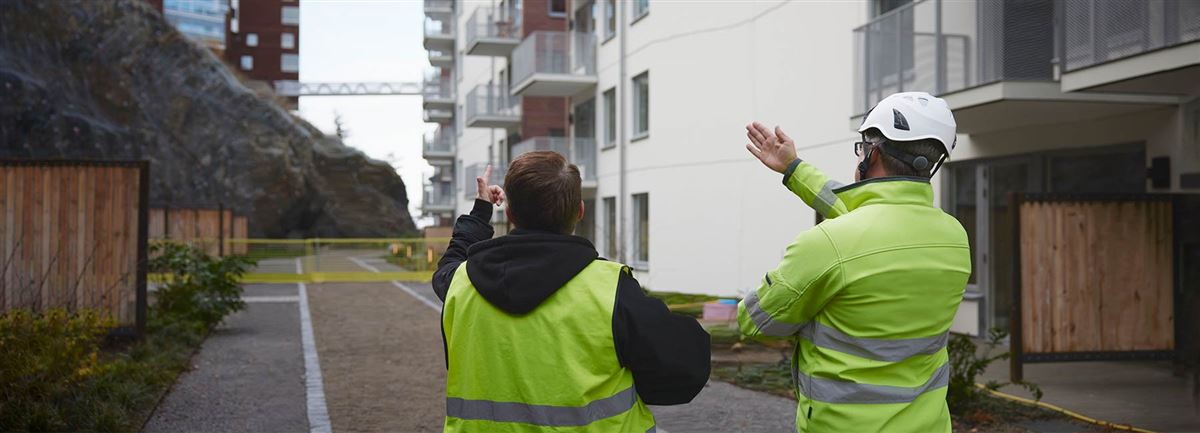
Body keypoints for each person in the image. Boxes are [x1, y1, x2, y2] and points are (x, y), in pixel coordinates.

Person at [738, 92, 971, 433]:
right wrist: (793, 168)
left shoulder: (828, 243)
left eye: (862, 147)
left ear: (872, 152)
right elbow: (874, 217)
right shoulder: (954, 236)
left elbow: (756, 322)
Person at [432, 151, 710, 433]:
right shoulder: (611, 288)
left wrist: (481, 211)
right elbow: (684, 370)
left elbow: (449, 263)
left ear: (511, 214)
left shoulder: (461, 282)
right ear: (579, 211)